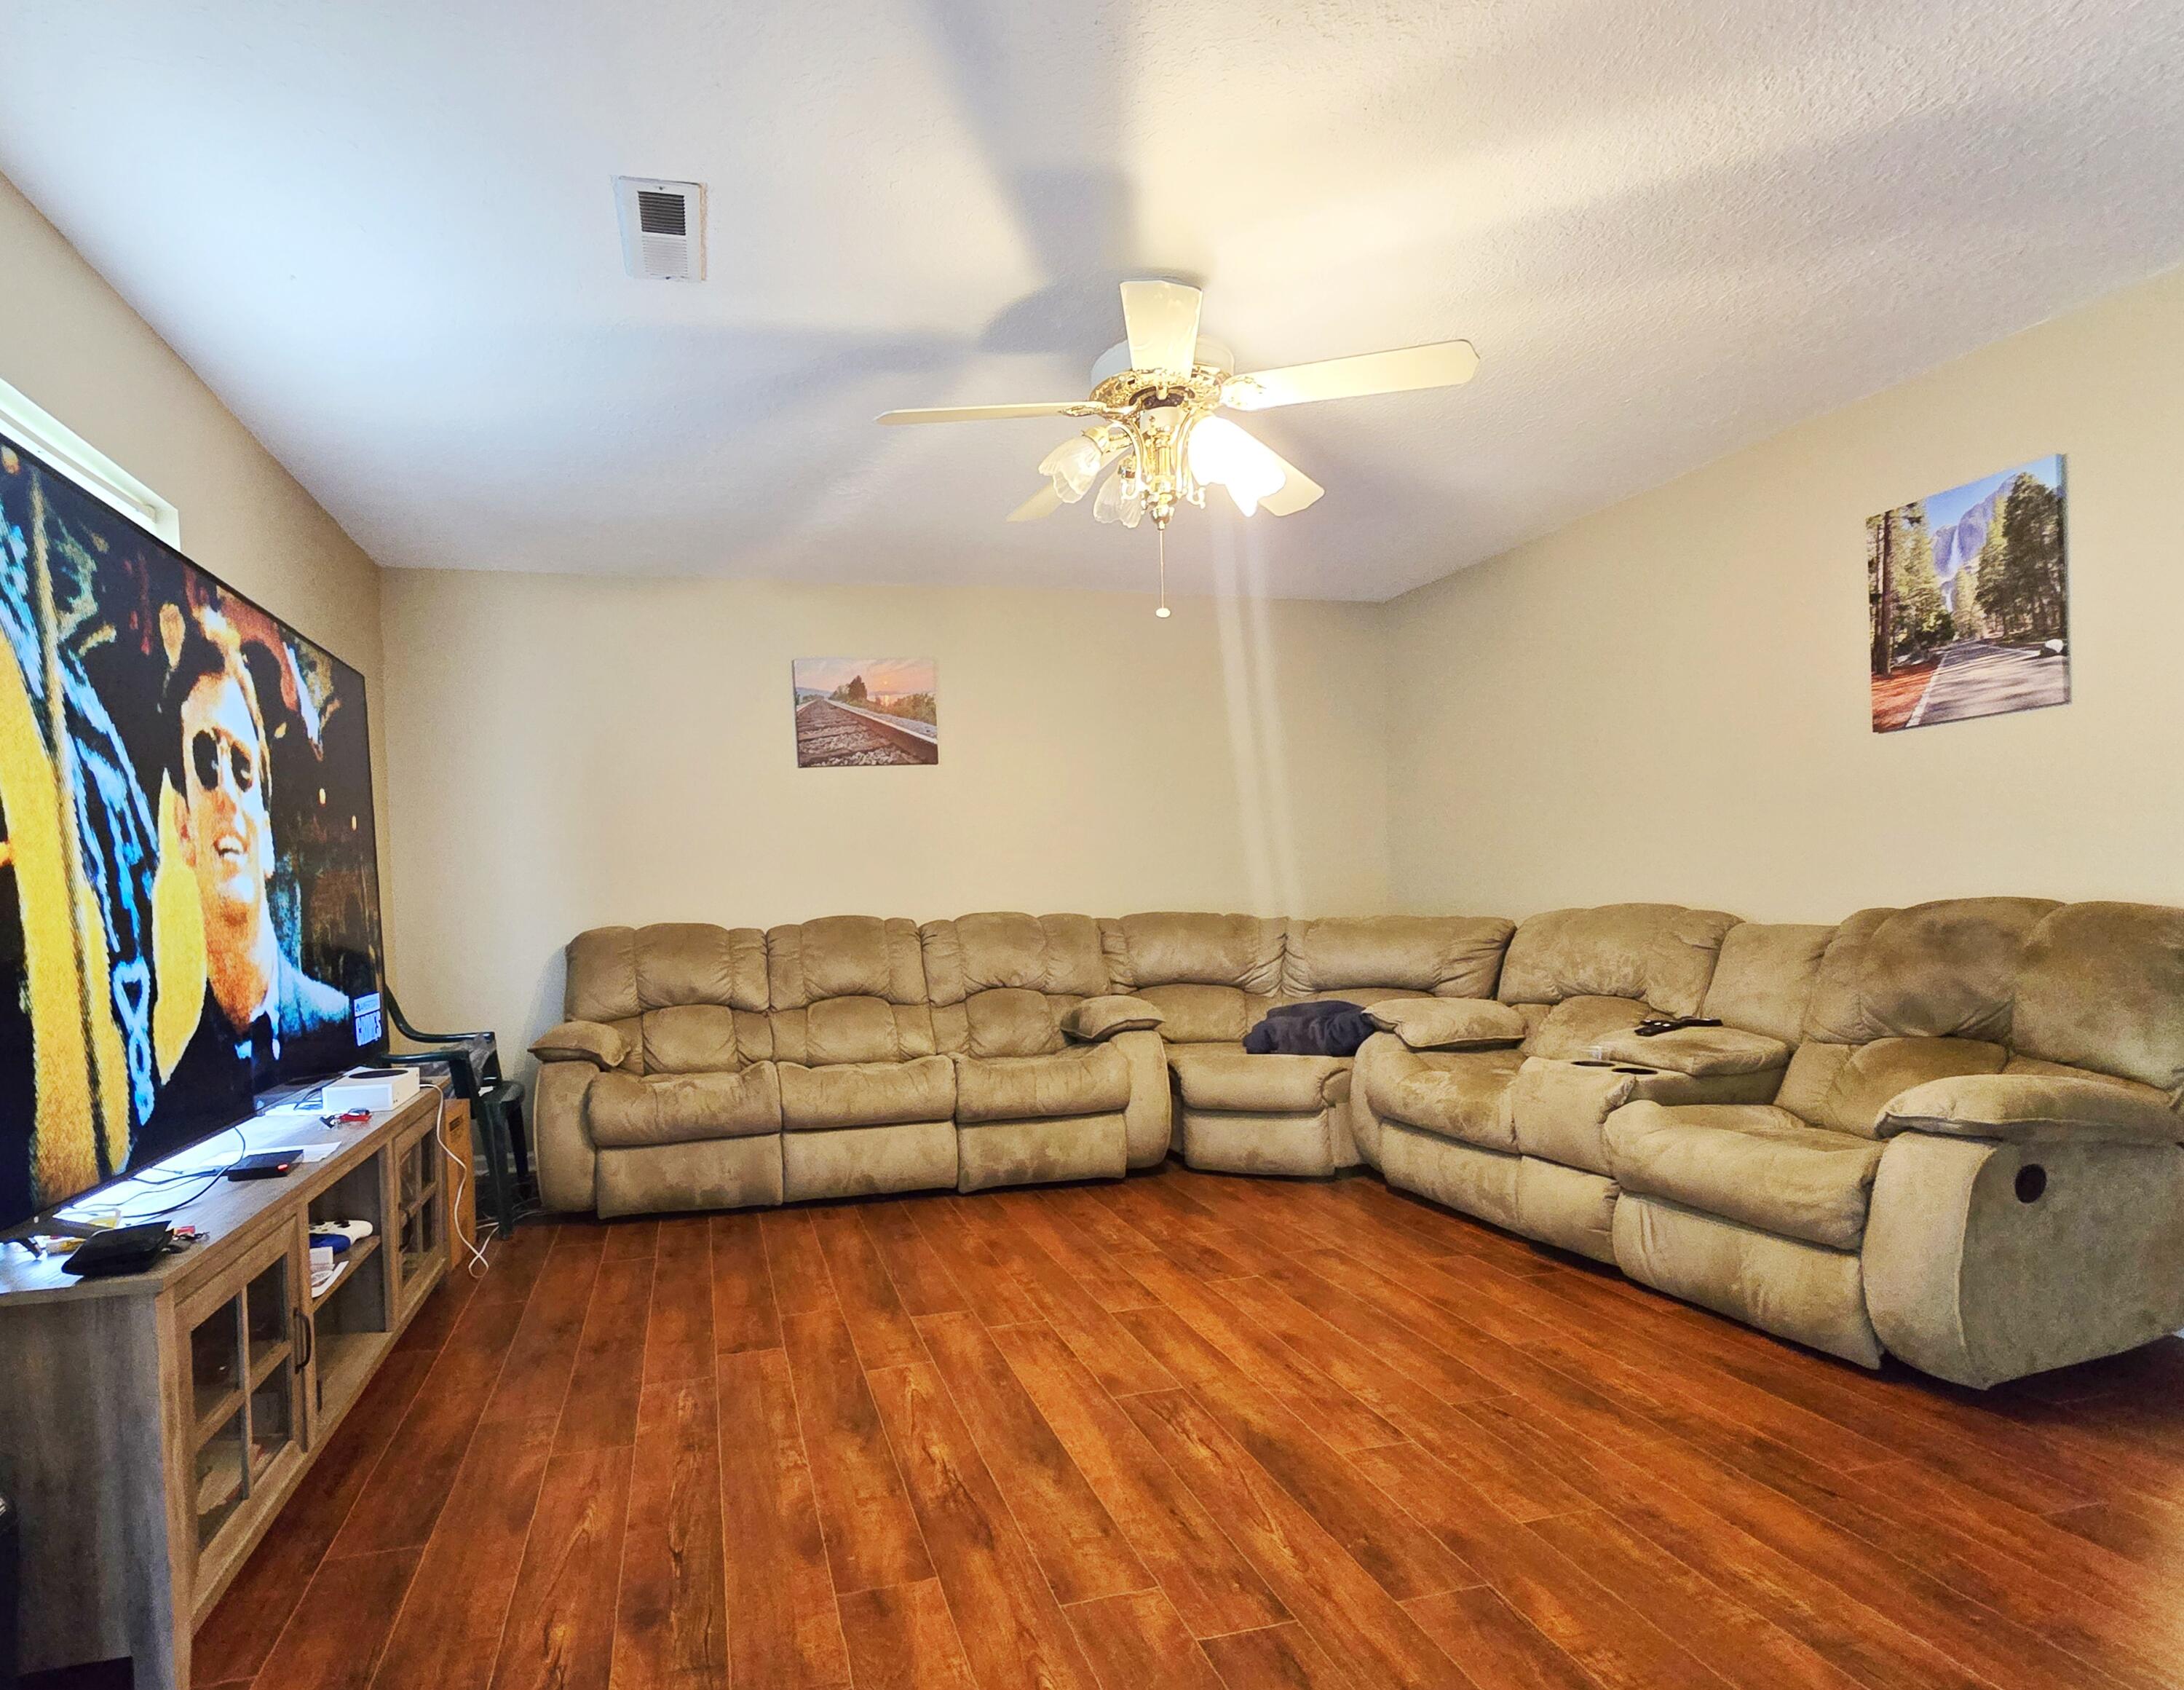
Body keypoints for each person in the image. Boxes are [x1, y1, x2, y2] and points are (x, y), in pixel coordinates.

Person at [133, 610, 348, 1166]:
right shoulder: (166, 1129)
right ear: (183, 828)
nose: (226, 791)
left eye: (242, 767)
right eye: (206, 761)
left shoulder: (342, 1026)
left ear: (269, 836)